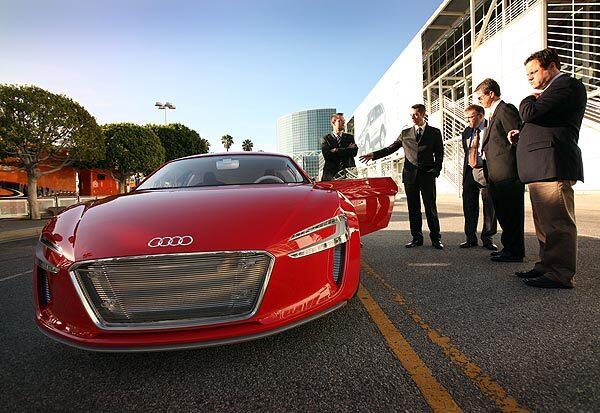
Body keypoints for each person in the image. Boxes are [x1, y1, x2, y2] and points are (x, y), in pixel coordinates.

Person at [508, 48, 586, 289]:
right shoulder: (551, 92)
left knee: (558, 223)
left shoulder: (566, 86)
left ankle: (560, 273)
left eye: (533, 72)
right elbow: (543, 122)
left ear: (551, 67)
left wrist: (530, 97)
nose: (529, 77)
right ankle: (546, 265)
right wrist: (522, 135)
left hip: (553, 165)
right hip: (541, 167)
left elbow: (531, 112)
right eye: (527, 74)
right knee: (544, 223)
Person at [359, 104, 444, 249]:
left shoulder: (434, 132)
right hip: (410, 176)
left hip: (427, 176)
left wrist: (436, 171)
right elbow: (390, 148)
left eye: (416, 114)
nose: (413, 117)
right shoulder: (405, 133)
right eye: (411, 114)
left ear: (423, 114)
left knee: (430, 207)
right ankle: (416, 238)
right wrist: (373, 155)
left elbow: (440, 153)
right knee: (413, 208)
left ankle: (436, 238)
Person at [474, 78, 524, 262]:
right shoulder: (493, 115)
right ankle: (509, 248)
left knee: (511, 214)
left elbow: (516, 136)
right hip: (497, 174)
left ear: (491, 94)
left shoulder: (506, 109)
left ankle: (515, 251)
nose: (479, 101)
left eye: (481, 98)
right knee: (504, 213)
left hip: (507, 173)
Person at [460, 104, 498, 250]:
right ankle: (470, 238)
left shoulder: (490, 127)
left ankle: (488, 238)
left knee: (489, 206)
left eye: (471, 117)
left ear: (481, 116)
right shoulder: (466, 131)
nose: (468, 120)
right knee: (469, 206)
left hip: (486, 170)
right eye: (466, 118)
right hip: (470, 172)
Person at [321, 113, 358, 181]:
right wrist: (347, 149)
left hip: (349, 174)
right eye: (340, 120)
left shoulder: (349, 137)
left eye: (343, 120)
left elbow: (354, 152)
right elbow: (327, 155)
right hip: (331, 175)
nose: (343, 122)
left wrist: (336, 150)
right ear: (333, 122)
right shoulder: (326, 138)